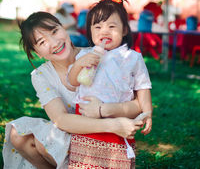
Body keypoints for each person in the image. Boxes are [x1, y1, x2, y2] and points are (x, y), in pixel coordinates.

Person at [2, 11, 143, 169]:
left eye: (55, 31)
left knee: (45, 144)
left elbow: (138, 105)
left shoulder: (97, 55)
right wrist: (113, 125)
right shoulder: (41, 75)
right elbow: (60, 119)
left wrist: (106, 113)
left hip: (104, 137)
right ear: (37, 53)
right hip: (76, 129)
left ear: (64, 28)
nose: (54, 43)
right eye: (42, 42)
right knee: (20, 134)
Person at [67, 0, 152, 168]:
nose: (104, 31)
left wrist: (148, 112)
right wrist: (79, 65)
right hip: (86, 117)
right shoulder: (85, 54)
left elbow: (143, 87)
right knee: (85, 163)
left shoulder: (132, 58)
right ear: (90, 32)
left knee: (116, 161)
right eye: (97, 27)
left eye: (112, 26)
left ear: (125, 30)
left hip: (118, 117)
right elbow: (73, 81)